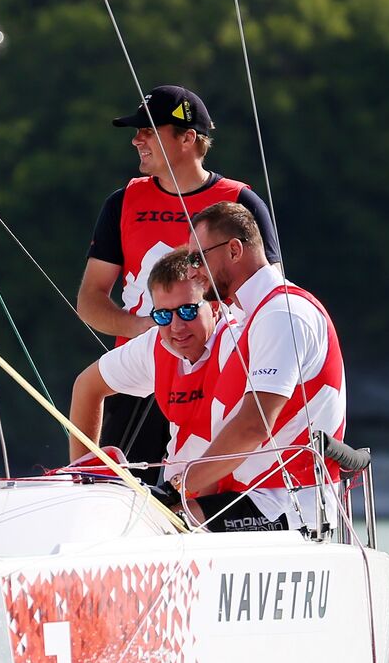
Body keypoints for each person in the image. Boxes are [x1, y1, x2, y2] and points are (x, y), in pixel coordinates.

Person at [77, 84, 281, 481]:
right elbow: (90, 300)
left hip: (216, 381)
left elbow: (268, 298)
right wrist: (150, 330)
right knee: (116, 498)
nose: (137, 139)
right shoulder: (122, 203)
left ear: (188, 138)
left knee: (198, 498)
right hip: (138, 375)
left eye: (148, 131)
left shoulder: (239, 202)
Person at [173, 201, 345, 532]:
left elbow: (254, 426)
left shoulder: (282, 314)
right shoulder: (246, 318)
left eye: (197, 258)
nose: (192, 270)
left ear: (234, 250)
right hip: (253, 500)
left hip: (290, 509)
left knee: (161, 528)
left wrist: (176, 489)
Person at [67, 246, 235, 498]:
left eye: (188, 310)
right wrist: (84, 480)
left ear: (214, 306)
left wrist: (177, 499)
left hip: (236, 499)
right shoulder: (156, 343)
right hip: (180, 499)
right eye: (163, 315)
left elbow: (240, 440)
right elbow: (87, 386)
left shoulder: (238, 344)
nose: (176, 326)